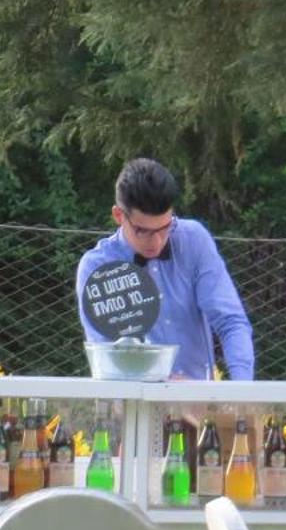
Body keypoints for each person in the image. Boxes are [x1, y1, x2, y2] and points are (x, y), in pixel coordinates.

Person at [74, 158, 255, 380]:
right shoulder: (96, 267)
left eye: (165, 228)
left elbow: (230, 321)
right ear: (119, 216)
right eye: (144, 231)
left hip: (198, 402)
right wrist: (165, 385)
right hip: (133, 406)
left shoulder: (194, 240)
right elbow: (107, 358)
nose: (157, 241)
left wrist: (241, 390)